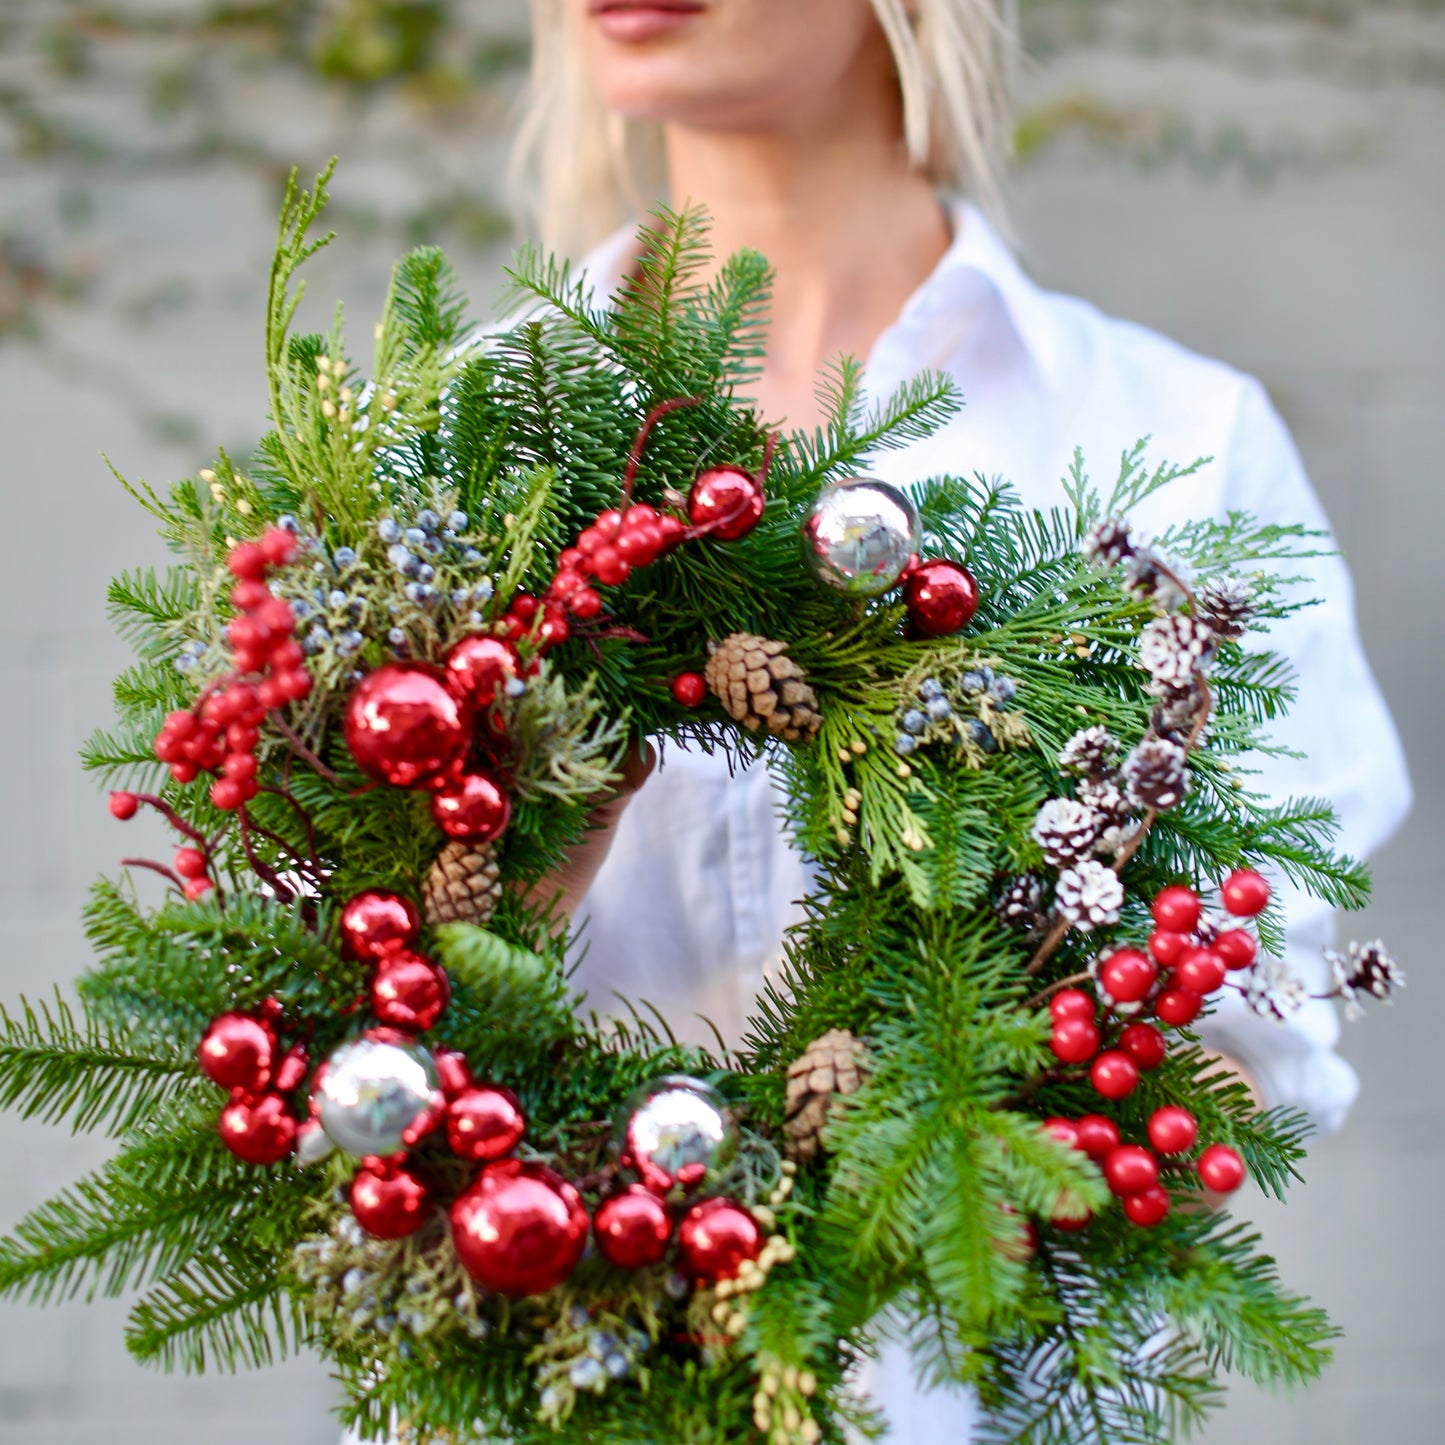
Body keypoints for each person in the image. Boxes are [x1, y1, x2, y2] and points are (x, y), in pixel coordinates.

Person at [438, 0, 1415, 1437]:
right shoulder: (464, 446)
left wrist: (967, 1093)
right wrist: (510, 875)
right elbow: (344, 1023)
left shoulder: (1166, 445)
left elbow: (1239, 1041)